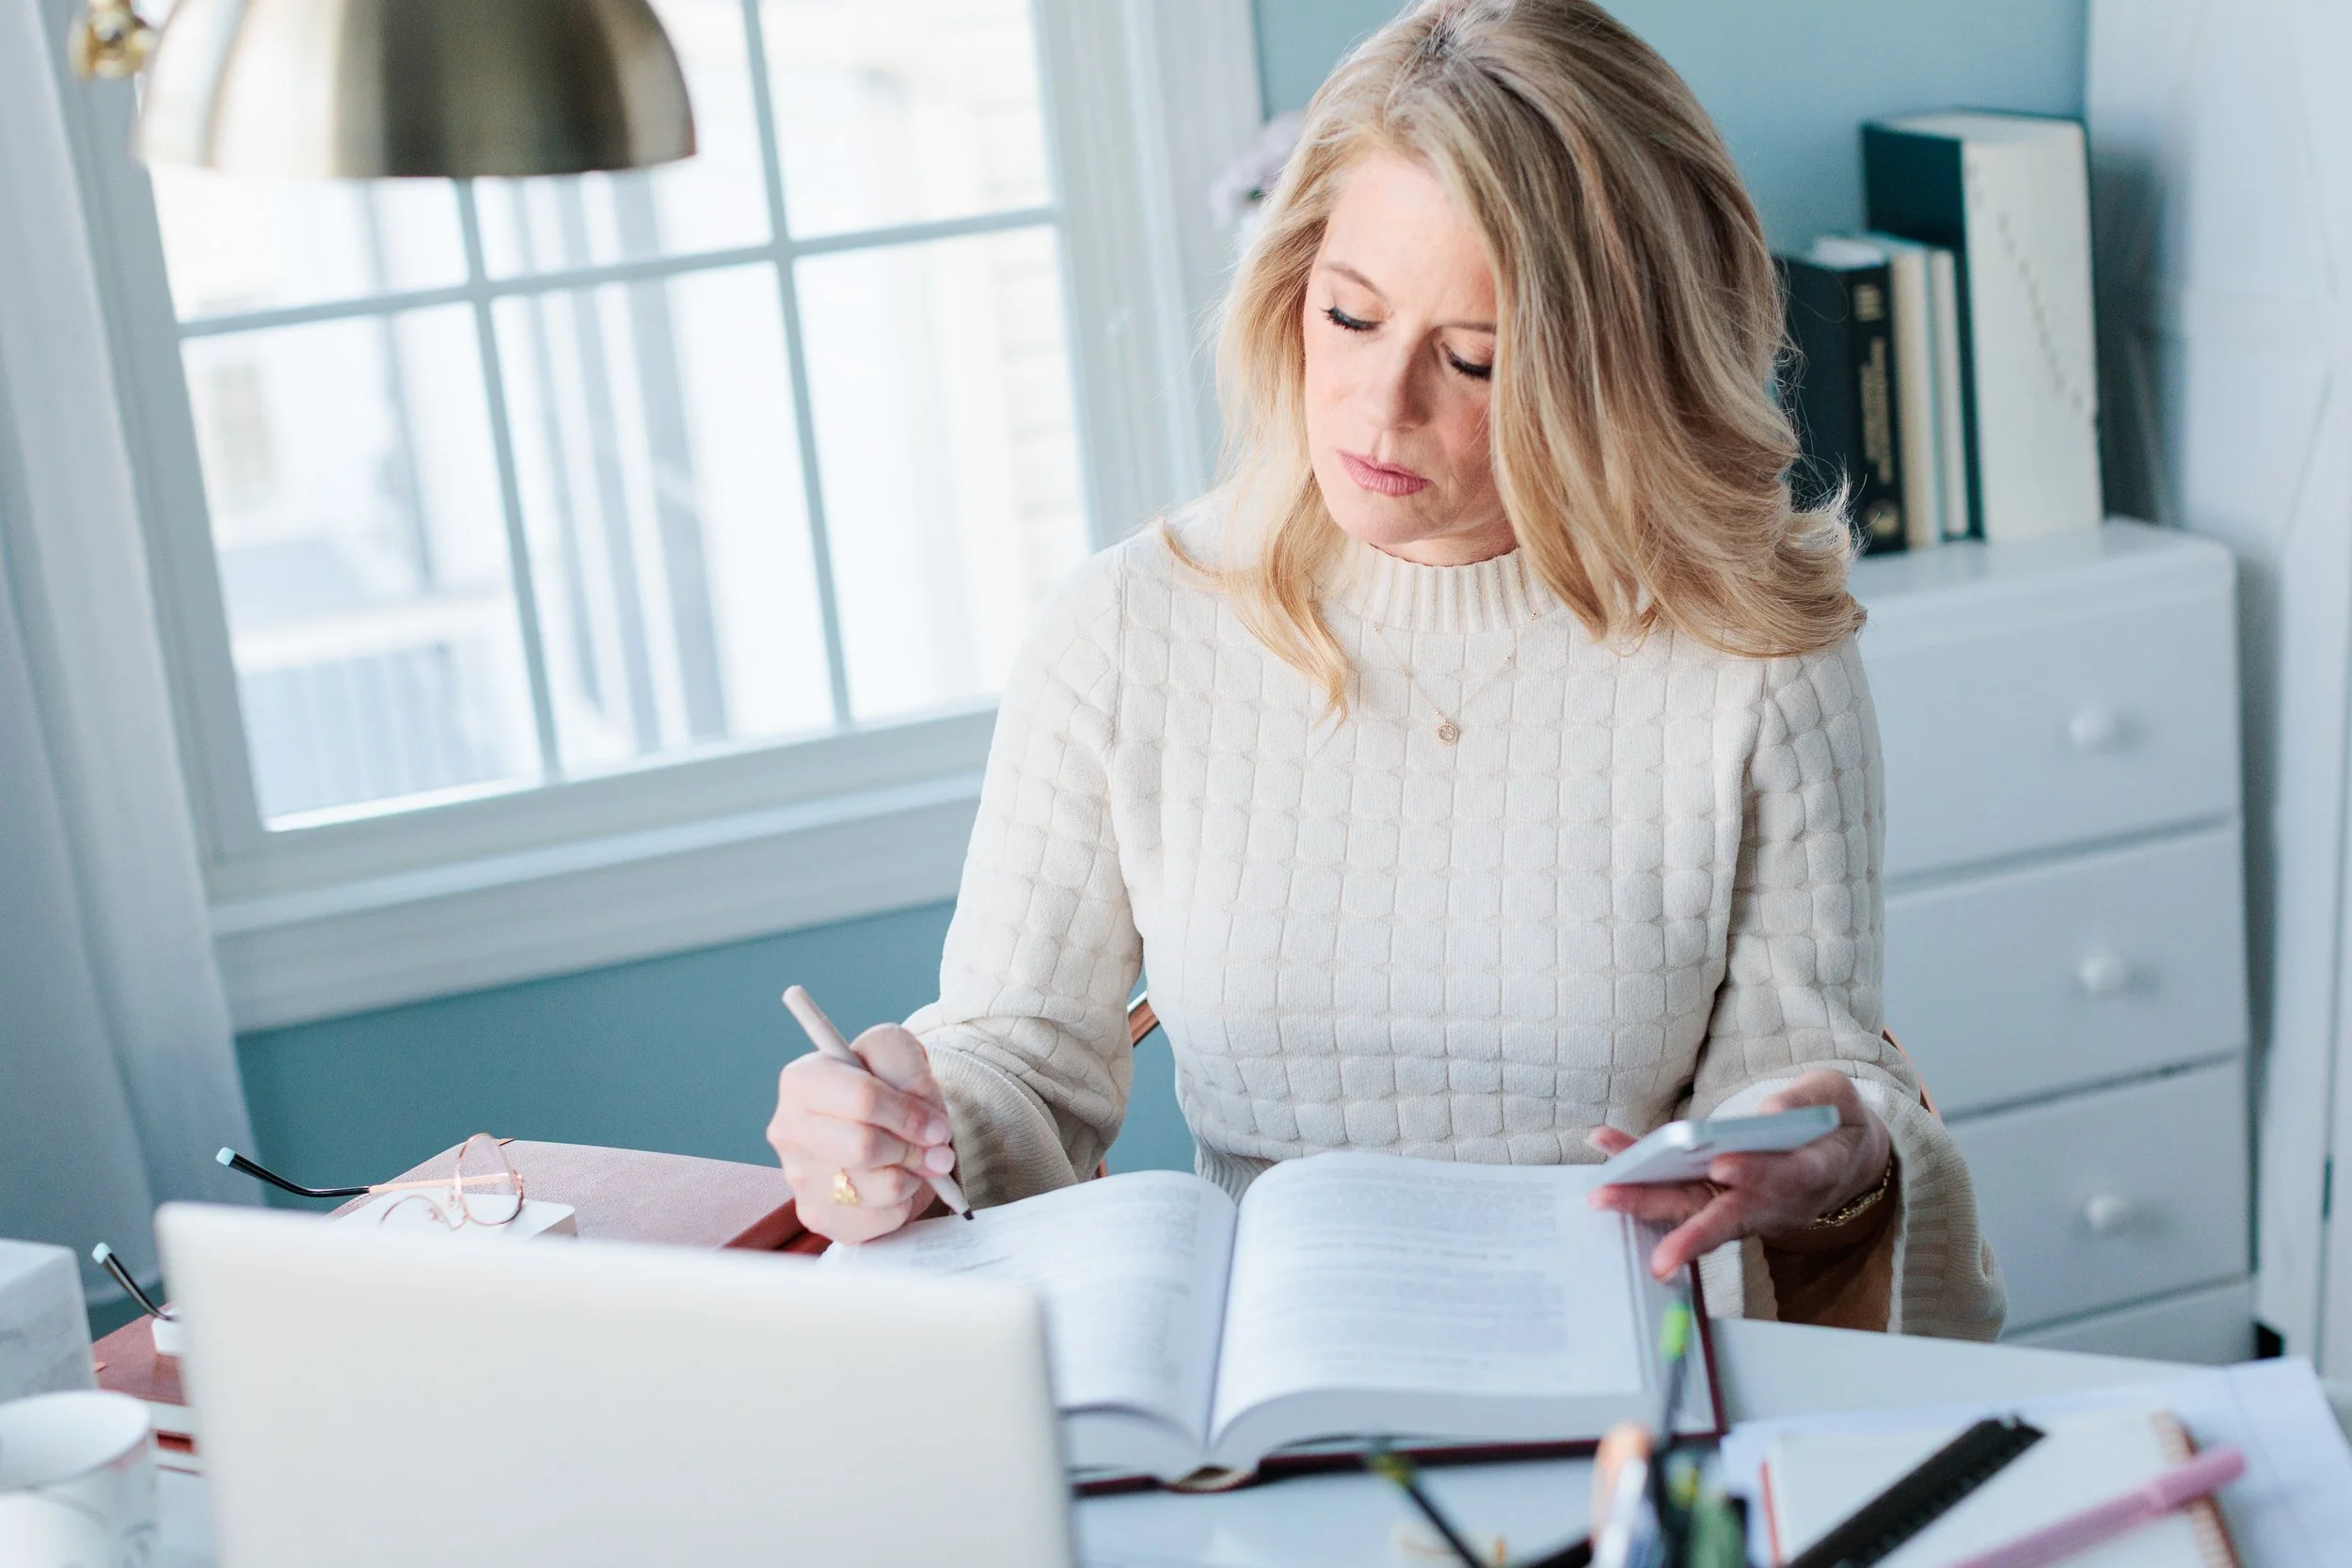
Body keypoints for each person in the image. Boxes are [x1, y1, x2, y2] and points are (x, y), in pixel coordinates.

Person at [767, 0, 2004, 1338]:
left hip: (1621, 1373)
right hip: (1260, 1378)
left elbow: (1798, 1114)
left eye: (1473, 358)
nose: (1378, 404)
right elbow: (1017, 1062)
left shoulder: (1754, 659)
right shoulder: (1128, 629)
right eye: (1348, 315)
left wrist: (1839, 1159)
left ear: (1612, 374)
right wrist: (902, 1124)